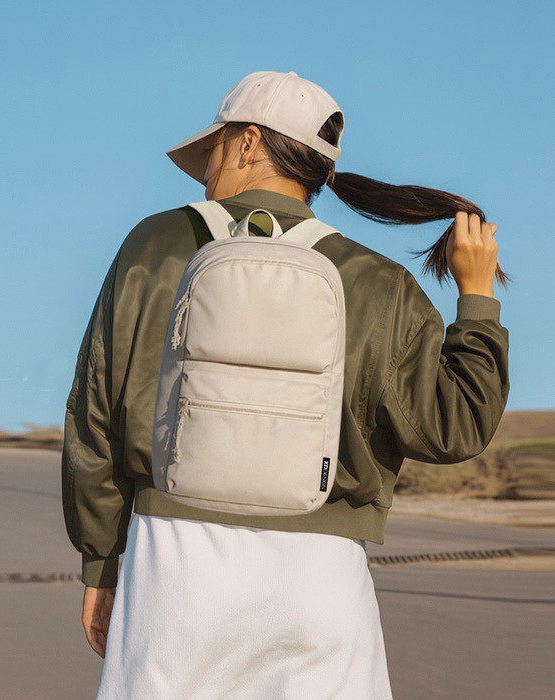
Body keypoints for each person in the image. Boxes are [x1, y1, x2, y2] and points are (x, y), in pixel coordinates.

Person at [61, 70, 510, 699]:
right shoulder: (378, 283)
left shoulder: (154, 246)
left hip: (176, 566)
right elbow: (453, 427)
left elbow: (97, 413)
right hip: (321, 580)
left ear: (247, 142)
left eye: (214, 149)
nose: (206, 171)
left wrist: (102, 561)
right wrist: (477, 296)